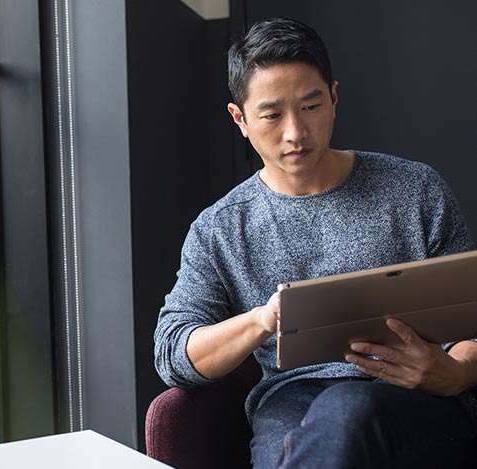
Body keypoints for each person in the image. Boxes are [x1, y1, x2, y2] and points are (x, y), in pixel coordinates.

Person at [154, 17, 477, 468]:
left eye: (311, 106)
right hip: (291, 403)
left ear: (334, 97)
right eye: (271, 115)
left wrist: (456, 371)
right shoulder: (221, 229)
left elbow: (472, 313)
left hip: (413, 399)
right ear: (240, 119)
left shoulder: (415, 189)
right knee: (301, 434)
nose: (295, 133)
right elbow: (173, 354)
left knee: (345, 410)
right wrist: (263, 320)